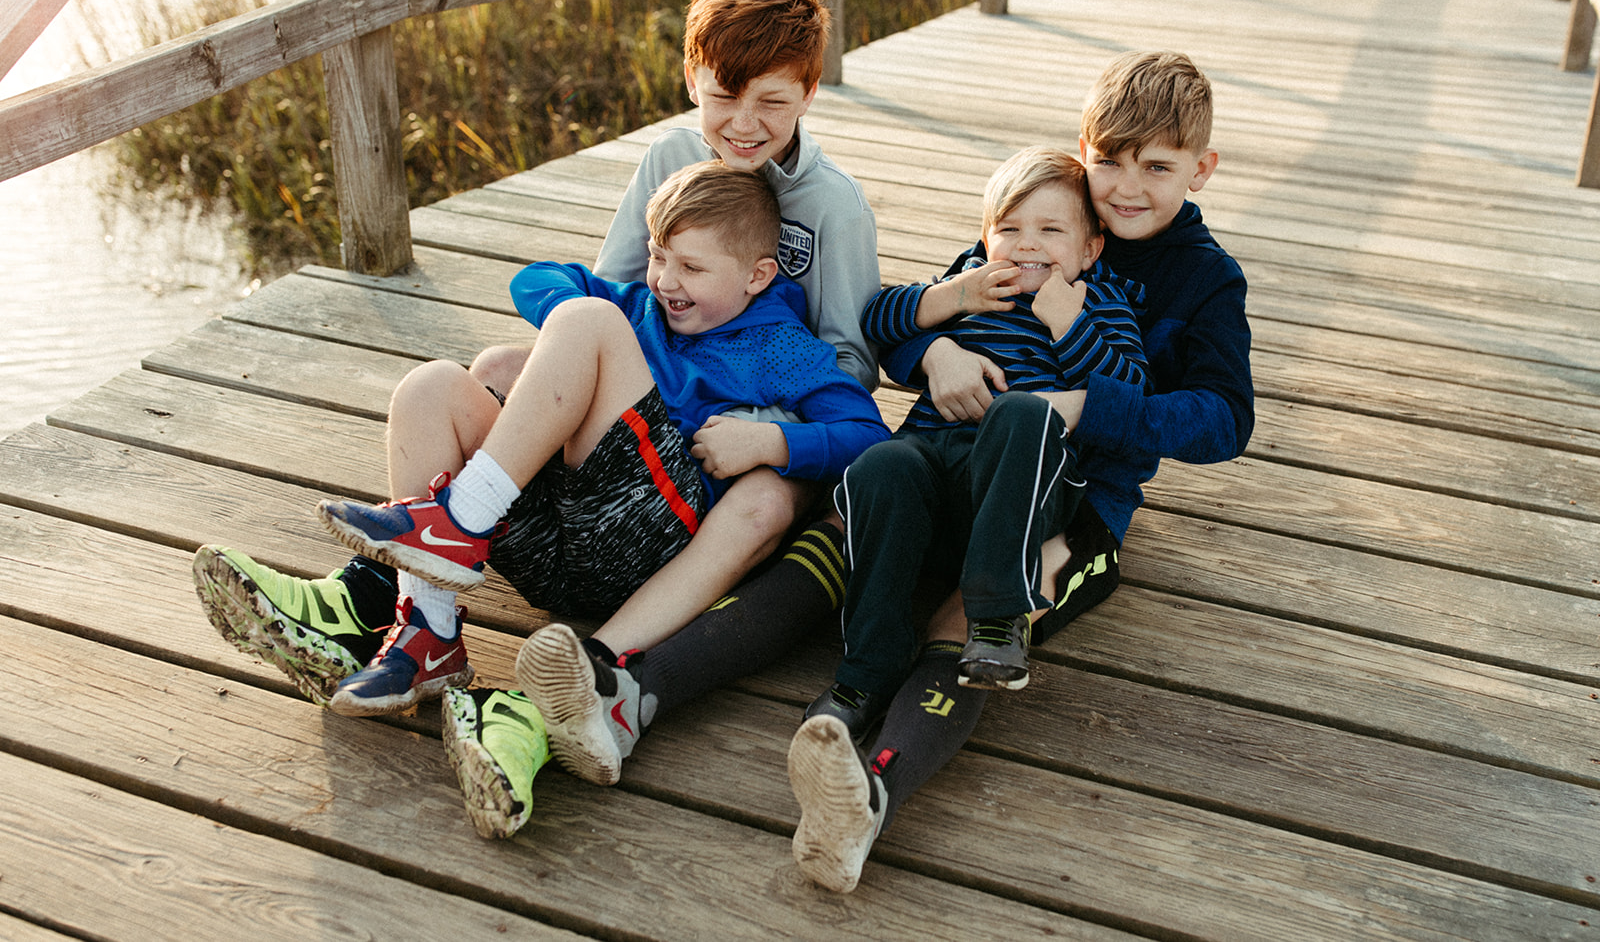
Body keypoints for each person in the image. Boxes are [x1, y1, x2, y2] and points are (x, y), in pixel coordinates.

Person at [192, 0, 878, 713]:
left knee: (579, 345)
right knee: (473, 372)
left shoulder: (832, 209)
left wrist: (760, 433)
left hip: (738, 440)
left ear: (809, 93)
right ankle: (423, 623)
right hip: (640, 424)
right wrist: (594, 365)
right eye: (723, 95)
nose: (743, 124)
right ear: (692, 80)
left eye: (772, 103)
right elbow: (612, 291)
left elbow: (850, 365)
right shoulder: (670, 160)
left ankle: (424, 556)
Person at [786, 50, 1254, 893]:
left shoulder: (1206, 280)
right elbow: (922, 309)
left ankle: (875, 791)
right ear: (1083, 150)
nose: (1126, 185)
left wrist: (1082, 408)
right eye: (1108, 160)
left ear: (1202, 169)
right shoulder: (1043, 216)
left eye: (1157, 167)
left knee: (979, 601)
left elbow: (1225, 419)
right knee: (858, 510)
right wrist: (938, 354)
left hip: (1079, 499)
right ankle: (835, 684)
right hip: (953, 462)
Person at [311, 160, 886, 724]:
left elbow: (868, 439)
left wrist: (770, 443)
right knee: (429, 386)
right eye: (658, 256)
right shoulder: (640, 306)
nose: (665, 280)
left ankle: (458, 520)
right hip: (559, 541)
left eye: (691, 267)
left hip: (651, 538)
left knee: (591, 321)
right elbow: (533, 278)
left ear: (757, 276)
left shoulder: (780, 347)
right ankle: (427, 635)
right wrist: (572, 337)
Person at [803, 145, 1146, 752]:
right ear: (984, 238)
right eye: (1008, 229)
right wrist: (952, 305)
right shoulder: (970, 280)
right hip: (936, 465)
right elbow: (881, 317)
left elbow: (1129, 395)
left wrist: (1070, 324)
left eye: (1050, 230)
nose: (1026, 245)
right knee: (883, 460)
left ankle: (996, 618)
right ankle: (865, 673)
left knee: (1021, 413)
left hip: (1026, 482)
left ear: (1091, 248)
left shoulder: (1100, 304)